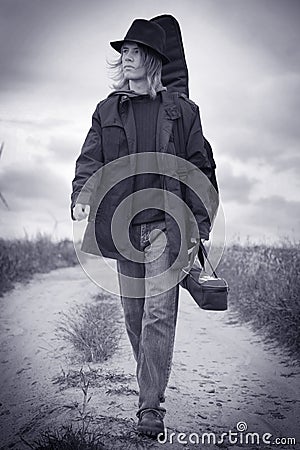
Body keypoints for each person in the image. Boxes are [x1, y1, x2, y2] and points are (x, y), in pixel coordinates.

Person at [71, 18, 218, 437]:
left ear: (151, 59)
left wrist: (200, 225)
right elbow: (90, 160)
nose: (126, 57)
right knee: (135, 315)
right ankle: (150, 385)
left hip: (166, 228)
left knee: (158, 313)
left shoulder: (184, 112)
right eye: (124, 52)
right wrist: (82, 195)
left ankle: (149, 407)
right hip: (122, 230)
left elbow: (199, 168)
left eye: (134, 50)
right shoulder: (107, 110)